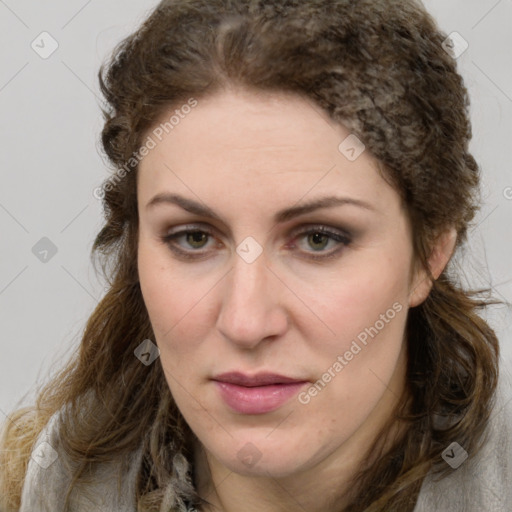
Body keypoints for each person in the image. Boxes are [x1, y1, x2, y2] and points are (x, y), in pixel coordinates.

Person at [1, 0, 511, 511]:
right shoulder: (54, 485)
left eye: (319, 239)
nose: (246, 322)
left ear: (430, 252)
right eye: (194, 238)